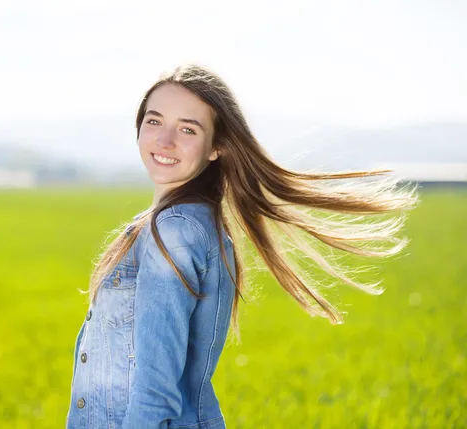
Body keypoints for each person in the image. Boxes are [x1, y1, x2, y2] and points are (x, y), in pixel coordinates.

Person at [66, 64, 419, 429]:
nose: (164, 140)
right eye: (154, 121)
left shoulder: (174, 231)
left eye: (187, 129)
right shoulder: (186, 222)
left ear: (216, 147)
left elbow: (155, 394)